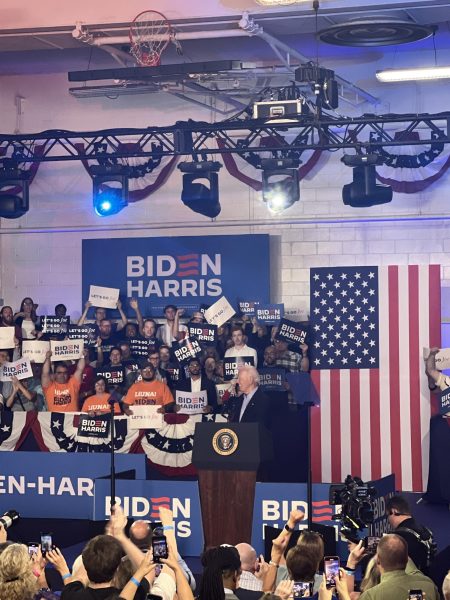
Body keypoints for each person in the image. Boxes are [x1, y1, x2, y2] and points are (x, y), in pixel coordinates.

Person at [358, 534, 439, 600]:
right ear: (406, 559)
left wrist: (350, 567)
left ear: (378, 560)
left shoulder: (371, 596)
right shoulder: (428, 586)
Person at [386, 494, 436, 574]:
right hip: (428, 580)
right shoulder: (426, 530)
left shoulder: (397, 537)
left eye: (388, 515)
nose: (388, 520)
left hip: (408, 582)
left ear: (394, 511)